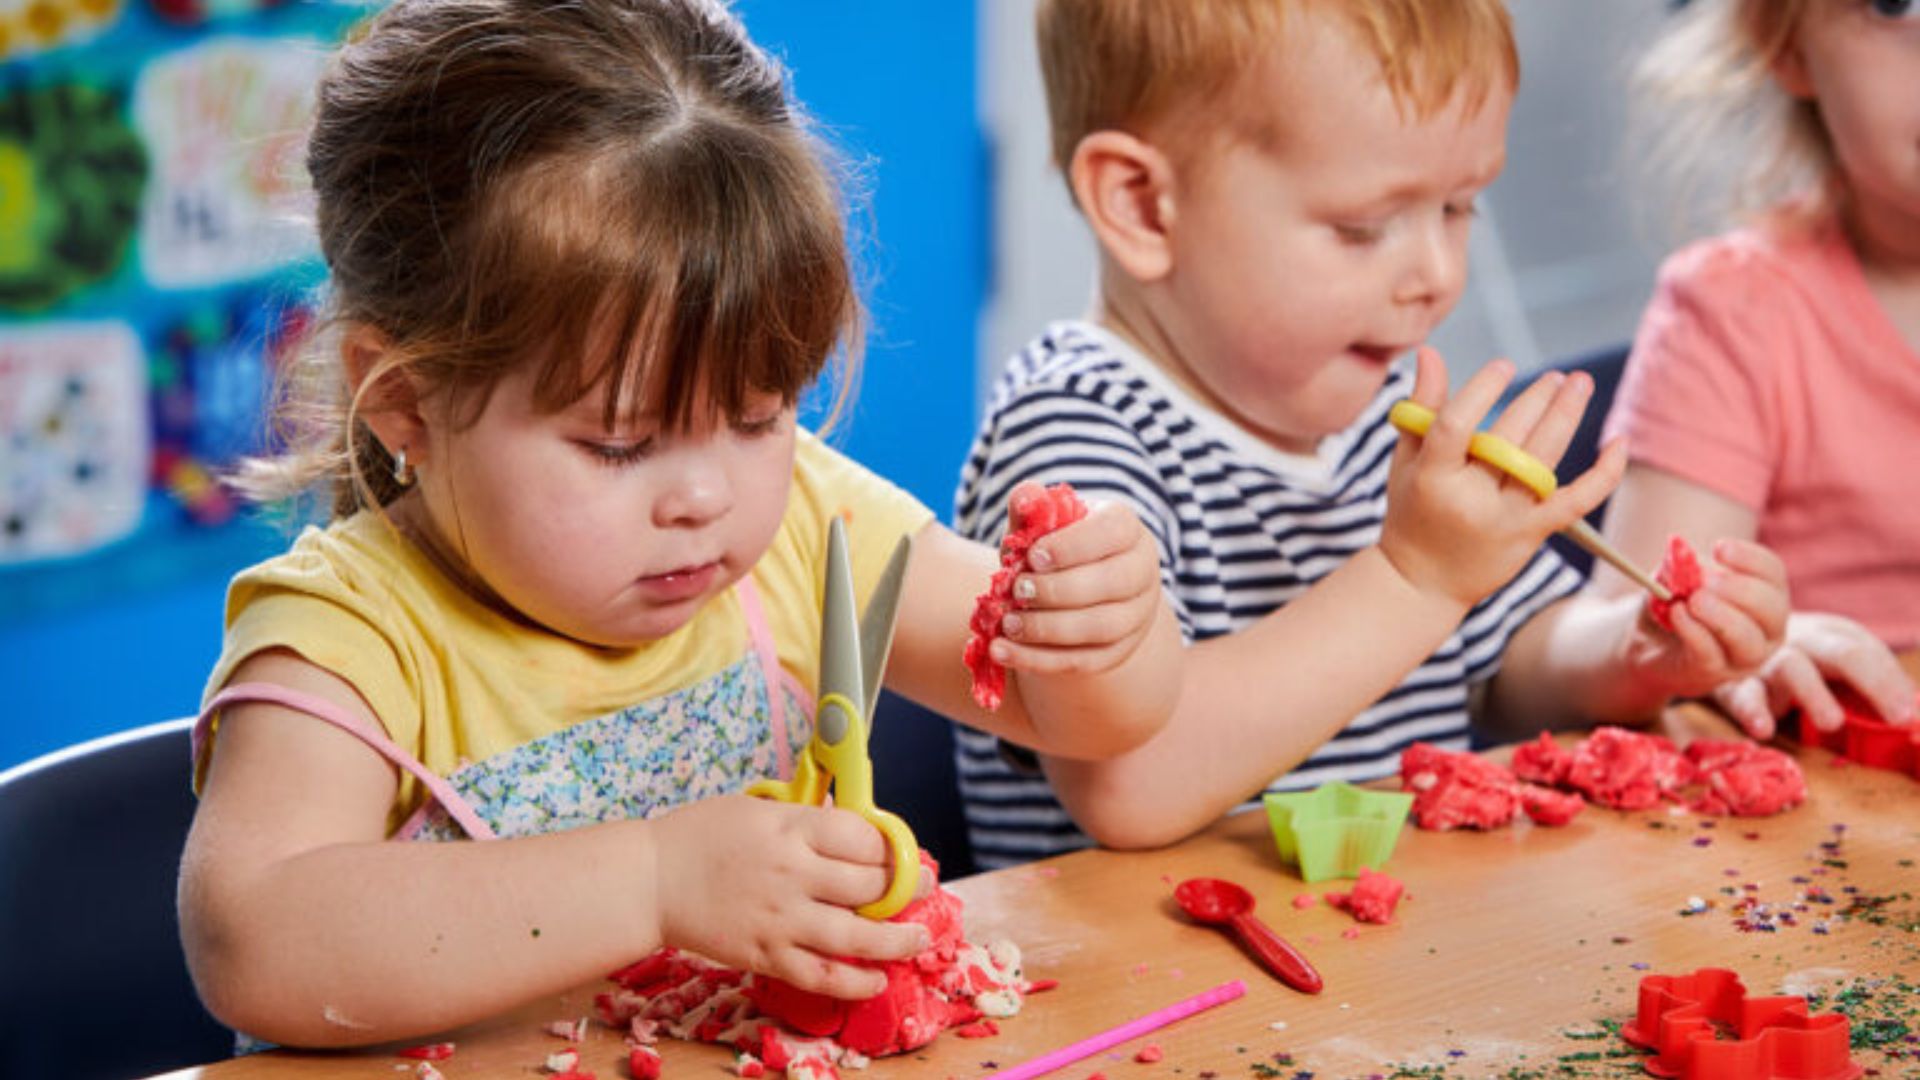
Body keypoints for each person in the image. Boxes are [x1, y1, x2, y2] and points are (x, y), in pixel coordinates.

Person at [177, 0, 1183, 1048]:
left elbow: (1096, 720)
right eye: (618, 444)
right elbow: (253, 944)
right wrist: (656, 880)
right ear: (405, 404)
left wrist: (1106, 625)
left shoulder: (805, 520)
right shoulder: (348, 640)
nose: (705, 496)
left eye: (757, 416)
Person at [951, 0, 1791, 869]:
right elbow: (1130, 781)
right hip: (1153, 992)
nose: (1437, 276)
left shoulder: (1369, 403)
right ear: (1142, 205)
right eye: (1363, 227)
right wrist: (1416, 576)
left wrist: (1634, 653)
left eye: (1460, 207)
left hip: (1389, 973)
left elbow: (1509, 665)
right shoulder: (1073, 448)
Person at [1603, 0, 1920, 739]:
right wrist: (1726, 650)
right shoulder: (1736, 310)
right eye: (1895, 4)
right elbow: (1629, 641)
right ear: (1783, 42)